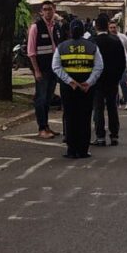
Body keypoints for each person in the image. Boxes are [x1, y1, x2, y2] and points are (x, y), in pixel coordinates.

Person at [51, 19, 103, 159]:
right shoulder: (92, 46)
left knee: (70, 117)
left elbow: (56, 67)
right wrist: (89, 82)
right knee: (84, 118)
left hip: (69, 88)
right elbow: (99, 67)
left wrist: (70, 81)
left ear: (69, 31)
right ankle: (83, 150)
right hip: (86, 88)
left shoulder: (62, 47)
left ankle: (71, 150)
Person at [27, 1, 67, 139]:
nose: (48, 12)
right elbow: (31, 52)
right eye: (45, 9)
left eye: (50, 9)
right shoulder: (36, 27)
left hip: (53, 69)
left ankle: (46, 126)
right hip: (42, 68)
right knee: (41, 98)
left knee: (48, 98)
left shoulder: (56, 27)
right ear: (41, 12)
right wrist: (36, 70)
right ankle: (42, 128)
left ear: (54, 10)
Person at [91, 15, 127, 147]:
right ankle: (114, 136)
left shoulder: (93, 42)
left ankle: (100, 136)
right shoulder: (115, 40)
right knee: (112, 107)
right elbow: (122, 62)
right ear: (107, 26)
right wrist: (117, 77)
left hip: (97, 80)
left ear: (96, 27)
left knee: (98, 108)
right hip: (112, 80)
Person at [109, 21, 127, 110]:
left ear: (117, 28)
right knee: (114, 85)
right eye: (111, 28)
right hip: (111, 65)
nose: (112, 29)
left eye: (114, 27)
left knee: (123, 82)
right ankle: (116, 102)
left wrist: (126, 59)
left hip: (122, 64)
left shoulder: (122, 37)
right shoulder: (107, 38)